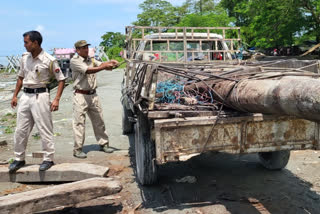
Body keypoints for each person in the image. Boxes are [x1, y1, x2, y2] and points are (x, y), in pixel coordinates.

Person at [9, 31, 66, 173]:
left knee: (44, 129)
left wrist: (56, 99)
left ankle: (48, 159)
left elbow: (61, 79)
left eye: (26, 42)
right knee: (20, 130)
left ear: (35, 43)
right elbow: (20, 77)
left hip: (40, 96)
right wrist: (15, 96)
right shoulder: (24, 58)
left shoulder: (49, 60)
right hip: (25, 96)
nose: (24, 45)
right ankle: (19, 159)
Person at [70, 40, 119, 158]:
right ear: (78, 50)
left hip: (93, 94)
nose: (86, 49)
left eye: (87, 47)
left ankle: (104, 144)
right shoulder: (75, 61)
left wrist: (110, 63)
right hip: (80, 95)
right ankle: (78, 149)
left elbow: (101, 65)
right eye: (83, 48)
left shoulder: (90, 60)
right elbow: (88, 70)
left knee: (99, 120)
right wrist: (104, 66)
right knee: (79, 123)